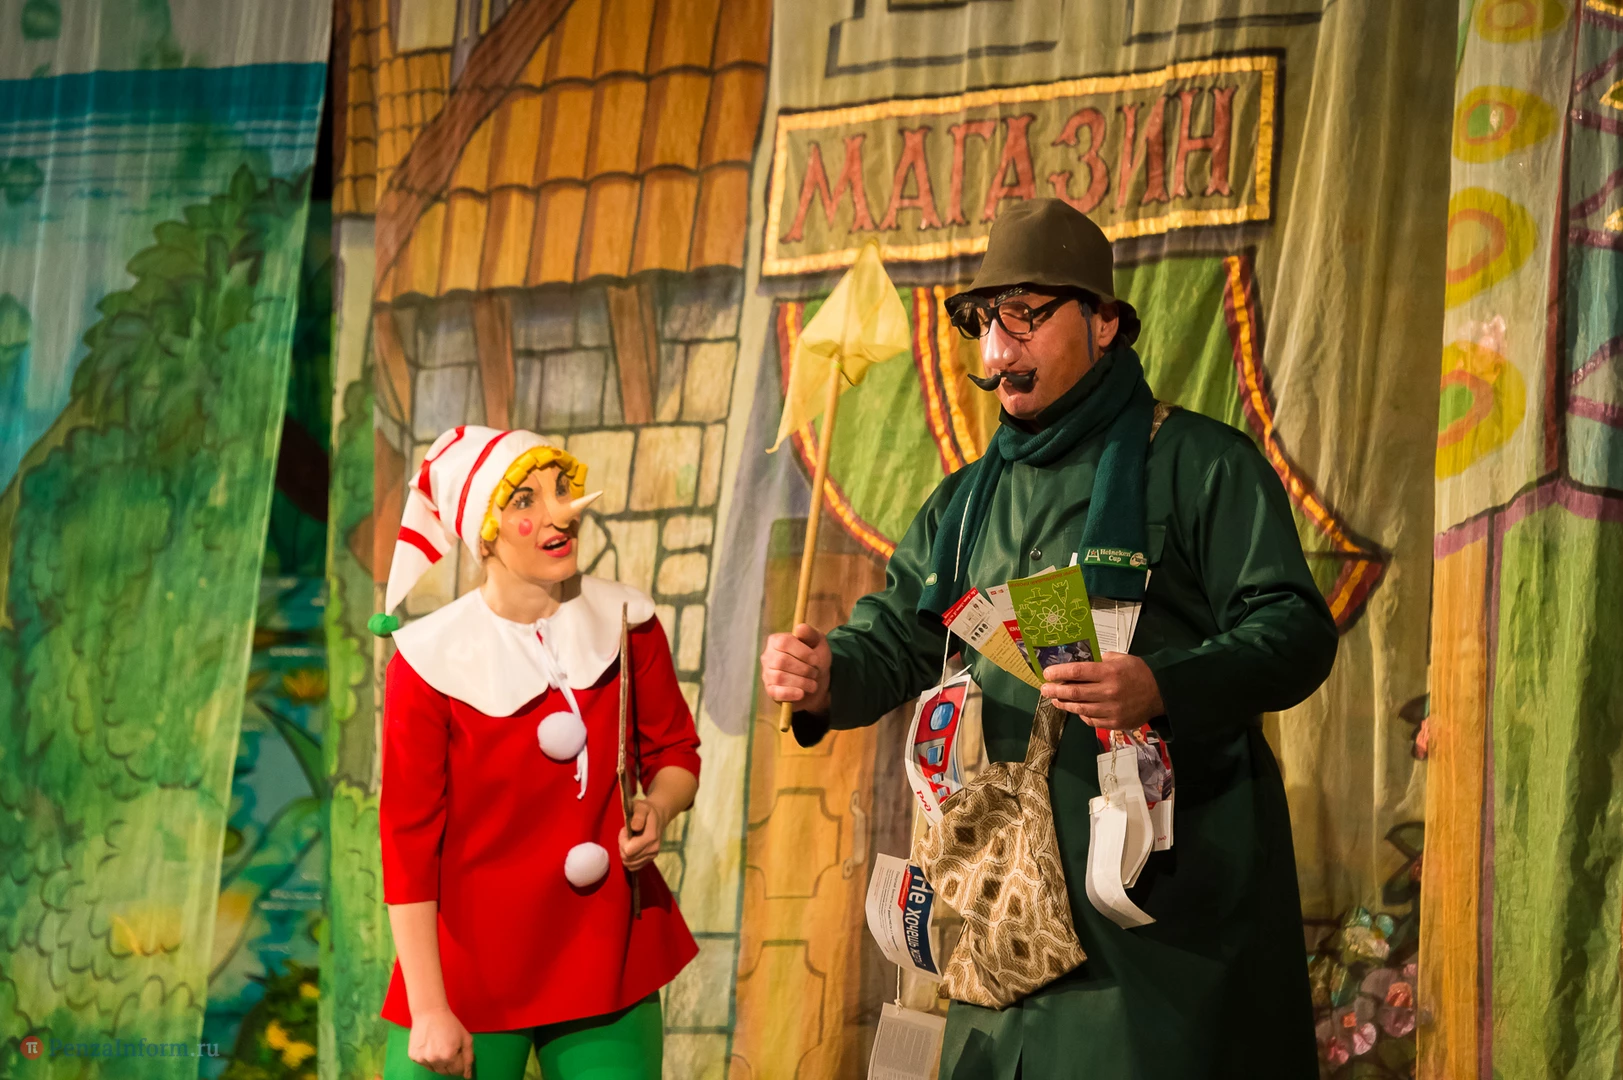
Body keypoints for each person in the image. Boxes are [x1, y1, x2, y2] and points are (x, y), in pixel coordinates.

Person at [760, 198, 1337, 1079]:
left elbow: (1293, 631)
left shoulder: (1199, 464)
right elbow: (899, 641)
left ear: (1102, 322)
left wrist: (1162, 684)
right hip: (1002, 916)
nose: (998, 350)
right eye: (984, 322)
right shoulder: (963, 504)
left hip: (1159, 923)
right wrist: (825, 674)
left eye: (1024, 315)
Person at [374, 426, 701, 1080]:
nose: (560, 513)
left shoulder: (627, 623)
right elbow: (408, 842)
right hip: (468, 968)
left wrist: (657, 810)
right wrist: (430, 1007)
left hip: (606, 952)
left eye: (560, 490)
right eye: (525, 501)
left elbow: (675, 754)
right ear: (484, 532)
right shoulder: (428, 660)